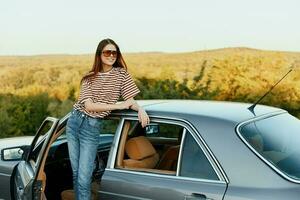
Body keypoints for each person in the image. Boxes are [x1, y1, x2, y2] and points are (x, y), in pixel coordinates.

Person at [66, 38, 149, 200]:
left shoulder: (121, 74)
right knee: (76, 173)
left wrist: (140, 109)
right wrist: (118, 106)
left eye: (114, 52)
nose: (111, 55)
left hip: (91, 126)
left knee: (84, 176)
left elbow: (129, 100)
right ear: (99, 54)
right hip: (74, 122)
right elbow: (89, 106)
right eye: (107, 52)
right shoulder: (89, 78)